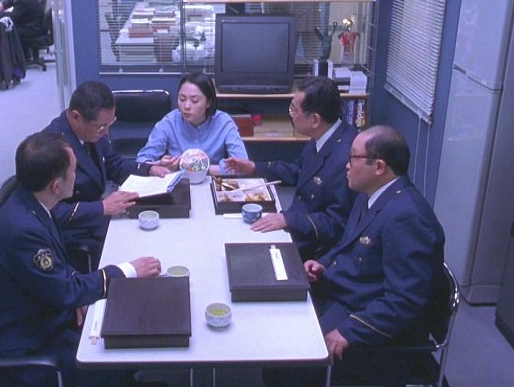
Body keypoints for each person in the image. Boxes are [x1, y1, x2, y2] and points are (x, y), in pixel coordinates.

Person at [0, 132, 163, 387]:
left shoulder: (32, 203)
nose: (77, 174)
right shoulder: (24, 231)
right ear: (56, 186)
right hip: (23, 344)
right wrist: (127, 270)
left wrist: (73, 285)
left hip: (38, 311)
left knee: (120, 330)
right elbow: (65, 292)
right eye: (74, 170)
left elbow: (56, 271)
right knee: (117, 352)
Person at [263, 125, 446, 387]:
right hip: (345, 295)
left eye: (353, 158)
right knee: (274, 322)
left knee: (285, 361)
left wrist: (350, 331)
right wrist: (323, 263)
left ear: (379, 166)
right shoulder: (371, 194)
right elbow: (348, 245)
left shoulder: (408, 218)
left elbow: (405, 301)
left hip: (368, 326)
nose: (346, 166)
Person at [224, 76, 358, 261]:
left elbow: (337, 223)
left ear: (315, 119)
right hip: (297, 223)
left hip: (314, 247)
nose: (290, 114)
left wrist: (288, 220)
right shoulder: (325, 135)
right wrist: (254, 167)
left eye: (294, 109)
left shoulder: (347, 158)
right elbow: (298, 171)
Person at [42, 81, 171, 265]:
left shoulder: (91, 131)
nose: (106, 132)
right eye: (102, 126)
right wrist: (102, 207)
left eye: (110, 124)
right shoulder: (50, 148)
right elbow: (50, 211)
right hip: (71, 231)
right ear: (76, 117)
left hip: (96, 214)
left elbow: (113, 164)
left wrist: (148, 169)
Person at [136, 72, 247, 175]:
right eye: (182, 99)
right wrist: (157, 166)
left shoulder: (224, 122)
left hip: (213, 181)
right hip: (178, 180)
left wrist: (202, 169)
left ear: (208, 102)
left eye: (194, 101)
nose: (186, 106)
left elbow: (243, 165)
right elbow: (141, 161)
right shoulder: (169, 122)